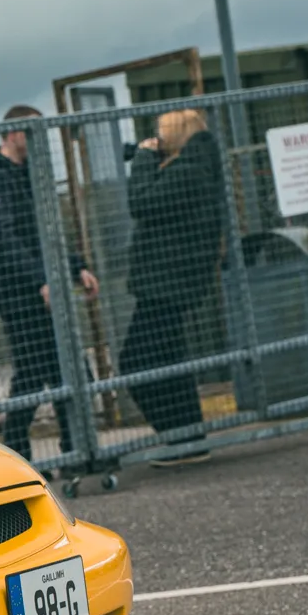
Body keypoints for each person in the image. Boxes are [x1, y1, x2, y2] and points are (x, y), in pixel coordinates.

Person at [0, 105, 100, 460]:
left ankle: (75, 447)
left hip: (43, 285)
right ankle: (24, 452)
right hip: (16, 292)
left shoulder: (31, 173)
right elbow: (3, 236)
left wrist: (75, 267)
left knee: (62, 367)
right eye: (33, 133)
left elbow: (47, 232)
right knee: (35, 368)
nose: (40, 141)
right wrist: (42, 280)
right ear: (13, 134)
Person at [122, 109, 222, 466]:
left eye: (163, 135)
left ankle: (181, 437)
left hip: (167, 285)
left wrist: (145, 158)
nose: (158, 141)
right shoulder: (194, 168)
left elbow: (141, 202)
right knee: (169, 362)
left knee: (136, 364)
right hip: (168, 282)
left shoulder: (188, 172)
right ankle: (188, 439)